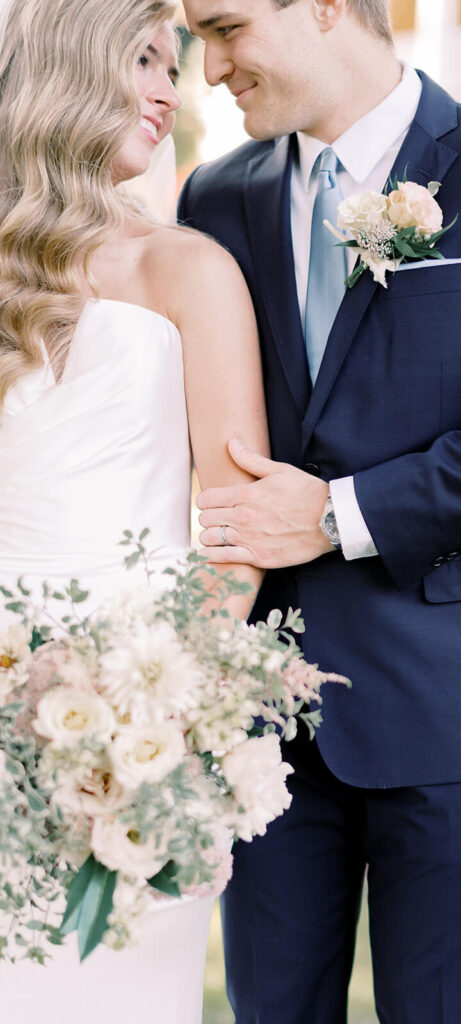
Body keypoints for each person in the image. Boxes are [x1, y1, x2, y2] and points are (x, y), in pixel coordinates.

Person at [178, 1, 461, 1021]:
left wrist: (338, 513)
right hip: (258, 717)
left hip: (451, 700)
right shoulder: (212, 200)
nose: (208, 69)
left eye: (225, 28)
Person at [0, 0, 268, 1020]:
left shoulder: (185, 268)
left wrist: (152, 723)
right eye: (144, 58)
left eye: (177, 60)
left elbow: (236, 535)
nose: (170, 87)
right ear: (66, 64)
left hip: (136, 720)